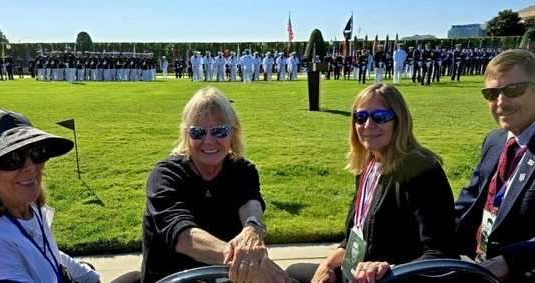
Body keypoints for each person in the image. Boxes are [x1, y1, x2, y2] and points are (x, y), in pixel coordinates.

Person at [286, 84, 457, 283]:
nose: (368, 125)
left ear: (398, 121)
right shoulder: (369, 164)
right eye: (361, 117)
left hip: (393, 277)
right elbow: (355, 234)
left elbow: (441, 254)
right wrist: (327, 265)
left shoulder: (421, 169)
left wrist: (387, 269)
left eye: (380, 116)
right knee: (291, 273)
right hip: (357, 272)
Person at [140, 87, 292, 283]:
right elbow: (184, 237)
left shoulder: (242, 170)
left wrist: (252, 230)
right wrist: (244, 262)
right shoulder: (164, 176)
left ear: (233, 134)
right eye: (198, 132)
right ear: (187, 136)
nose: (209, 141)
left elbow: (251, 205)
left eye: (220, 131)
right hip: (172, 279)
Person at [0, 109, 133, 282]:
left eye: (37, 152)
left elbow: (49, 251)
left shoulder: (27, 208)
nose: (31, 167)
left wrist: (90, 277)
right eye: (12, 159)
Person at [455, 49, 535, 282]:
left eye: (513, 90)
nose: (501, 102)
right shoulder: (495, 140)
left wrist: (509, 262)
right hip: (474, 262)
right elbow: (466, 203)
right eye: (492, 93)